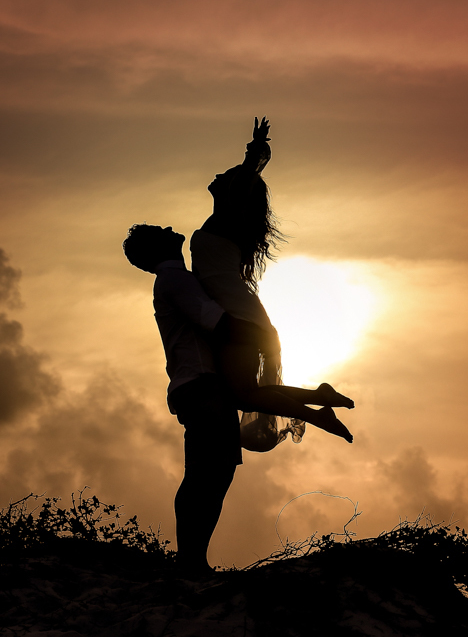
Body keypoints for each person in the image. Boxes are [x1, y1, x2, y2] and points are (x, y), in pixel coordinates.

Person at [122, 222, 278, 575]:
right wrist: (263, 334)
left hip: (201, 387)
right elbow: (215, 322)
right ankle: (190, 560)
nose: (169, 226)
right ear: (156, 247)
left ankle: (193, 559)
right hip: (202, 386)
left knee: (213, 472)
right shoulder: (176, 281)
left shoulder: (178, 279)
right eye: (160, 230)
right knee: (206, 474)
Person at [191, 117, 354, 443]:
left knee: (245, 394)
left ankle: (318, 409)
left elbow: (249, 172)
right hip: (234, 315)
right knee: (246, 392)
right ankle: (319, 399)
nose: (219, 175)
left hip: (238, 317)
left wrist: (255, 149)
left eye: (227, 176)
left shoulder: (228, 218)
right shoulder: (222, 221)